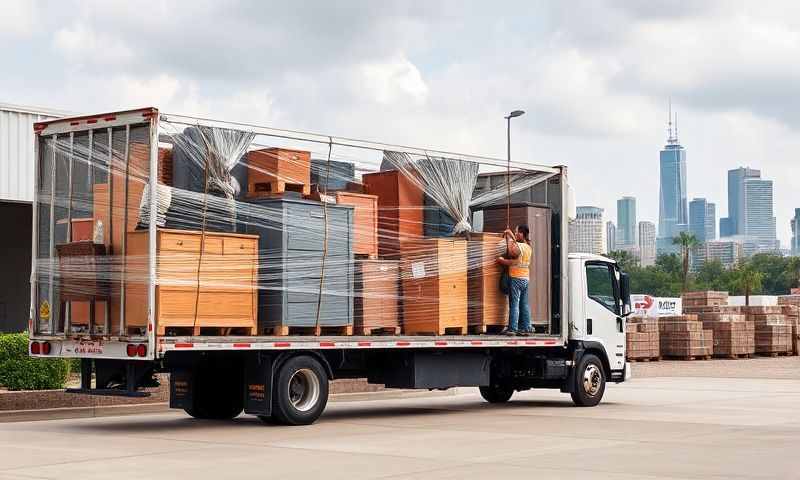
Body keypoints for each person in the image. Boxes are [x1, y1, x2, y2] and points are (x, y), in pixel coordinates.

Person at [496, 224, 532, 336]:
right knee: (524, 304)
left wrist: (510, 237)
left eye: (517, 232)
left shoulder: (520, 247)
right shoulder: (528, 247)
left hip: (516, 278)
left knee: (514, 303)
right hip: (525, 278)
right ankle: (525, 327)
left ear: (522, 234)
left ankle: (512, 328)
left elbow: (512, 255)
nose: (516, 234)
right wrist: (510, 237)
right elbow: (515, 260)